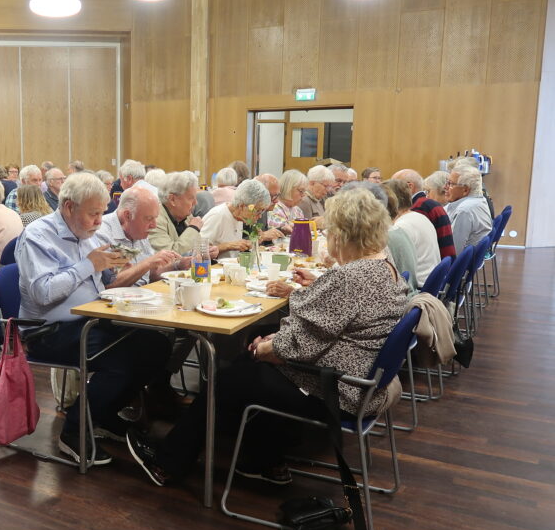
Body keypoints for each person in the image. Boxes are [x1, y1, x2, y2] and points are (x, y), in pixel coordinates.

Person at [126, 188, 408, 486]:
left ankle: (167, 463)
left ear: (343, 234)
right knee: (247, 365)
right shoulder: (384, 266)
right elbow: (326, 326)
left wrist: (264, 348)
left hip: (336, 390)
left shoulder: (350, 277)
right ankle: (262, 456)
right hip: (358, 382)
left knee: (230, 379)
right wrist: (273, 340)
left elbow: (298, 346)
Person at [16, 172, 173, 464]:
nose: (100, 221)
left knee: (157, 346)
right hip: (49, 331)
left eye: (102, 213)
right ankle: (73, 432)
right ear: (68, 207)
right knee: (120, 360)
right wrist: (89, 265)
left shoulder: (90, 236)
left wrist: (117, 269)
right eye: (93, 214)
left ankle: (103, 415)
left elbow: (106, 283)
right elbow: (43, 293)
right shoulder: (38, 235)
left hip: (92, 320)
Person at [96, 186, 180, 287]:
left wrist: (178, 265)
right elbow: (108, 286)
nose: (154, 225)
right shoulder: (101, 233)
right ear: (127, 215)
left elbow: (150, 275)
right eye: (149, 219)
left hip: (145, 293)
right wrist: (148, 263)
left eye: (155, 218)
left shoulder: (137, 230)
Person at [383, 180, 441, 286]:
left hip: (418, 287)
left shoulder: (400, 227)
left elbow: (397, 269)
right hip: (430, 283)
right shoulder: (419, 217)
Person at [149, 171, 219, 256]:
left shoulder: (186, 216)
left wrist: (207, 251)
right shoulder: (155, 221)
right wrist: (193, 228)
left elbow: (194, 248)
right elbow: (170, 256)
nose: (195, 203)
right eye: (191, 198)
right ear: (172, 200)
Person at [391, 169, 455, 259]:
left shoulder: (419, 207)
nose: (391, 193)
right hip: (443, 262)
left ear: (409, 187)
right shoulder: (426, 203)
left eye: (393, 187)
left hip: (437, 263)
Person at [200, 179, 271, 259]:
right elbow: (198, 251)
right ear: (241, 206)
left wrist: (253, 241)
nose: (260, 216)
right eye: (258, 211)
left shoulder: (240, 218)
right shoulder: (218, 215)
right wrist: (228, 246)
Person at [445, 164, 492, 251]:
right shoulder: (480, 200)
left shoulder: (464, 211)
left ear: (465, 190)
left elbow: (454, 250)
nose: (445, 187)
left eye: (450, 184)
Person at [268, 169, 307, 234]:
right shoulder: (273, 207)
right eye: (301, 191)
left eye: (304, 192)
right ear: (289, 188)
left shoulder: (298, 210)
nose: (303, 195)